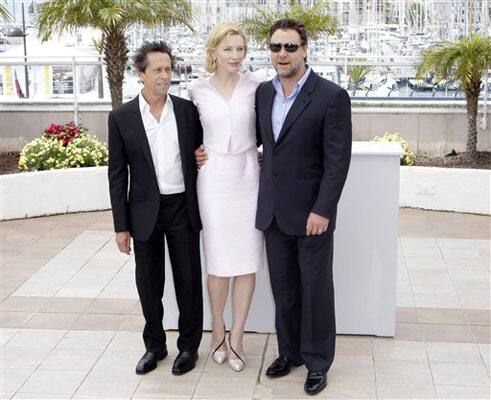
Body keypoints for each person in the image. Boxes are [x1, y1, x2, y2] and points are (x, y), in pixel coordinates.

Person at [256, 19, 352, 395]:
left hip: (312, 215)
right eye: (276, 47)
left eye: (290, 47)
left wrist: (323, 210)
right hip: (274, 213)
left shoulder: (330, 96)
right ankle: (290, 352)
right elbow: (263, 145)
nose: (282, 54)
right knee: (284, 290)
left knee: (315, 291)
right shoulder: (264, 94)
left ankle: (317, 361)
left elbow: (337, 161)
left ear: (305, 50)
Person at [107, 41, 203, 376]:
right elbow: (117, 173)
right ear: (141, 74)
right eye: (158, 70)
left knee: (188, 279)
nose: (165, 75)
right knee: (149, 283)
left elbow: (201, 149)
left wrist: (202, 156)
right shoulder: (122, 118)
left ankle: (189, 346)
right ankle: (155, 346)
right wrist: (121, 226)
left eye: (168, 69)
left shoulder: (187, 111)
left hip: (182, 206)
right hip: (144, 211)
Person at [189, 22, 264, 372]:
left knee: (247, 260)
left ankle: (237, 336)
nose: (236, 56)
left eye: (240, 49)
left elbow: (270, 129)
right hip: (214, 179)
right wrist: (194, 153)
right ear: (214, 52)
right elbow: (186, 134)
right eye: (228, 49)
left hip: (249, 176)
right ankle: (216, 327)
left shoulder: (257, 87)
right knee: (219, 261)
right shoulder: (196, 90)